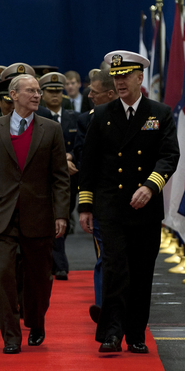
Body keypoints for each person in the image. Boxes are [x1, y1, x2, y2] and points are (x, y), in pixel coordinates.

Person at [78, 51, 179, 353]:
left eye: (125, 76)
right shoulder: (102, 115)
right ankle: (111, 333)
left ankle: (135, 333)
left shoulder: (159, 113)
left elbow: (169, 156)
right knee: (115, 269)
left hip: (146, 207)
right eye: (116, 77)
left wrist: (151, 186)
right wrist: (85, 206)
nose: (120, 82)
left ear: (139, 78)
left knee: (141, 270)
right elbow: (89, 163)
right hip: (111, 207)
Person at [0, 74, 70, 354]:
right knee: (2, 275)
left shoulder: (52, 129)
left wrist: (61, 214)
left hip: (38, 214)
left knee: (39, 279)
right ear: (13, 95)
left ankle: (36, 322)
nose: (37, 95)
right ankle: (11, 336)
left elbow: (60, 177)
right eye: (31, 91)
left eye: (39, 91)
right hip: (0, 215)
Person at [74, 68, 118, 323]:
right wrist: (85, 206)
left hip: (135, 199)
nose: (89, 95)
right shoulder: (88, 120)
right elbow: (85, 163)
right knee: (105, 256)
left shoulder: (147, 115)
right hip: (103, 199)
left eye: (94, 91)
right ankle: (102, 307)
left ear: (110, 93)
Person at [40, 72, 79, 280]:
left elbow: (81, 144)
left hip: (69, 177)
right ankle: (59, 263)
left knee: (63, 214)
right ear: (43, 94)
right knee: (53, 216)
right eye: (50, 91)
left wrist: (70, 156)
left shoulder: (74, 117)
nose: (55, 95)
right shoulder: (38, 117)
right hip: (45, 176)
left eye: (58, 91)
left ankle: (56, 262)